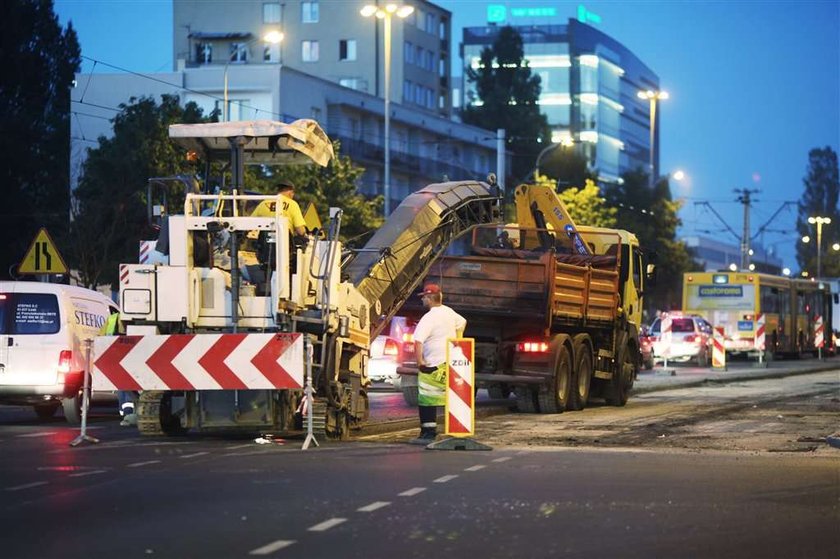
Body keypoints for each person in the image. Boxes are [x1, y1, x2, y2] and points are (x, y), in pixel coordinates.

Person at [410, 283, 467, 445]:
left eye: (423, 298)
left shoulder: (429, 318)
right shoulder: (449, 312)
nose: (422, 301)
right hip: (449, 361)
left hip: (433, 364)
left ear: (429, 298)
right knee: (452, 397)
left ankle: (428, 433)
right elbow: (462, 322)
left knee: (427, 398)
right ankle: (457, 430)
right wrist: (458, 342)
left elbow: (418, 341)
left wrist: (420, 362)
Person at [99, 310, 138, 427]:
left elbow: (101, 338)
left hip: (118, 358)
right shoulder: (117, 319)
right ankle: (128, 412)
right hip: (127, 357)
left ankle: (126, 413)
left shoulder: (113, 319)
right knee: (127, 386)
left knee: (123, 386)